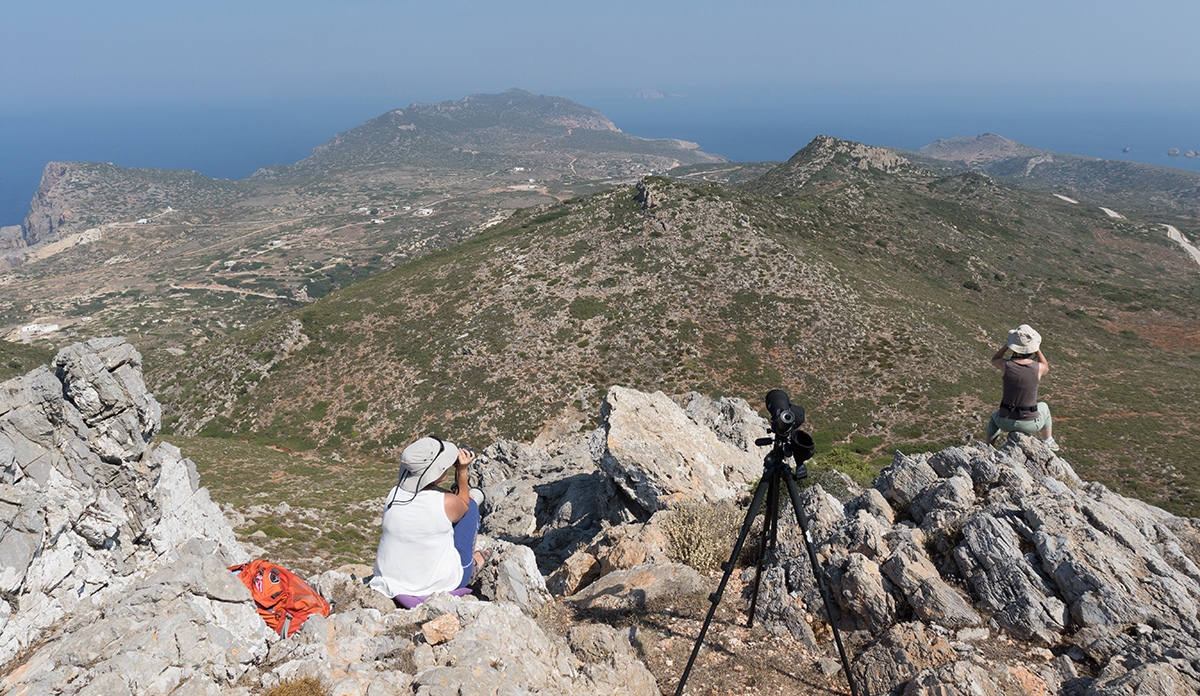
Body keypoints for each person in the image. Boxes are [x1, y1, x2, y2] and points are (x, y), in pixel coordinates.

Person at [369, 436, 488, 601]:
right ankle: (473, 562)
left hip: (389, 579)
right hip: (431, 584)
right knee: (472, 507)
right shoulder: (446, 502)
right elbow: (464, 505)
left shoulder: (393, 494)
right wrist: (462, 470)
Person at [985, 324, 1059, 451]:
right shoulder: (1038, 368)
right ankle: (1048, 440)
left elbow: (995, 359)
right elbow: (1045, 365)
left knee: (994, 418)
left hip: (1005, 421)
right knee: (1044, 407)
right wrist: (1037, 349)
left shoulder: (1006, 365)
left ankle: (988, 447)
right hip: (1030, 424)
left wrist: (1007, 345)